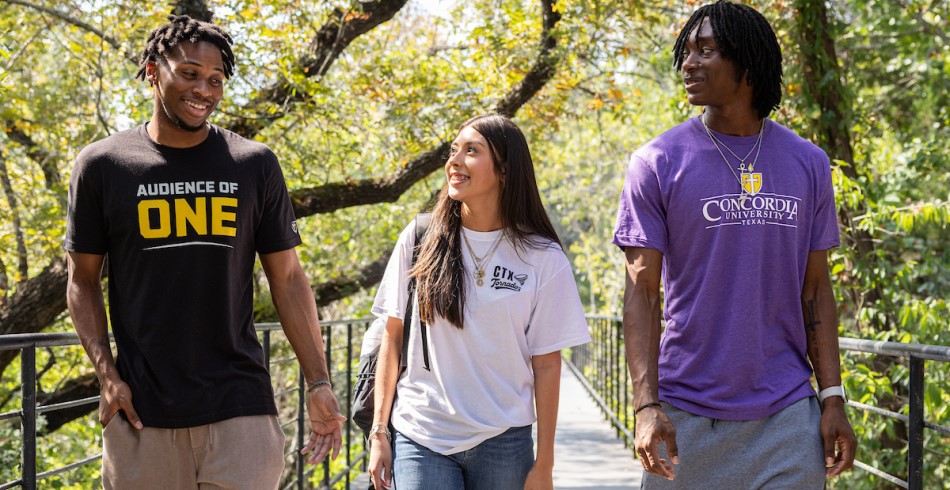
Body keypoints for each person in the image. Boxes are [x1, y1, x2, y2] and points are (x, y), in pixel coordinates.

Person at [64, 15, 345, 489]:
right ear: (153, 71)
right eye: (189, 73)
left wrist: (318, 381)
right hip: (140, 413)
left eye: (215, 80)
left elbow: (289, 278)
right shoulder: (102, 165)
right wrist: (106, 375)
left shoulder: (254, 163)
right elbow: (82, 281)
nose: (204, 90)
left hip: (241, 409)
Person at [612, 2, 857, 488]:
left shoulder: (808, 163)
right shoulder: (657, 162)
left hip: (787, 416)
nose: (689, 63)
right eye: (687, 51)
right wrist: (645, 406)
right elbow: (642, 293)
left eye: (706, 50)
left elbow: (816, 291)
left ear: (747, 63)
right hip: (686, 418)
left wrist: (832, 398)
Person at [367, 114, 591, 490]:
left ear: (505, 169)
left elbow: (548, 363)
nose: (454, 161)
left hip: (504, 439)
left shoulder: (542, 256)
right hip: (421, 432)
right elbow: (392, 336)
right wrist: (379, 433)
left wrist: (545, 464)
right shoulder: (421, 238)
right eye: (453, 150)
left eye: (471, 151)